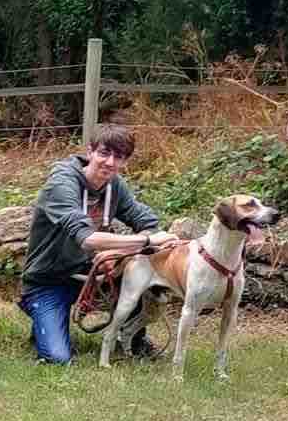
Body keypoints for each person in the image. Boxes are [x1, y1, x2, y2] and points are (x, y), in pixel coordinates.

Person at [19, 125, 173, 364]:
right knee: (58, 358)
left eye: (119, 157)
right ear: (89, 151)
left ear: (125, 161)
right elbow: (87, 239)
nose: (110, 163)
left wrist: (118, 254)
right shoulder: (61, 183)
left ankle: (134, 338)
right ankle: (43, 318)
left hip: (92, 274)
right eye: (104, 153)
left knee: (139, 272)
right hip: (48, 279)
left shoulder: (115, 186)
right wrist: (145, 241)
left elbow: (148, 222)